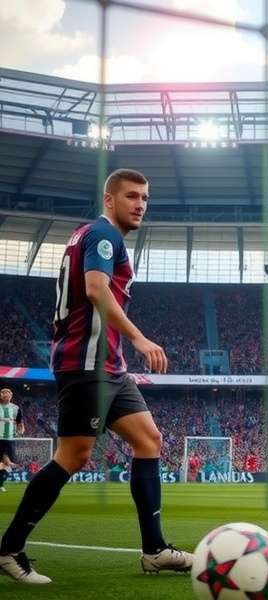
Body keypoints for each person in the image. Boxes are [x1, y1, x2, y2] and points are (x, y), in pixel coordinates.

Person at [0, 169, 193, 584]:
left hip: (110, 365)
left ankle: (155, 550)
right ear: (109, 199)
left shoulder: (86, 235)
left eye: (145, 197)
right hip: (86, 362)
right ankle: (10, 549)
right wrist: (140, 339)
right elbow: (94, 289)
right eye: (131, 196)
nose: (140, 204)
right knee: (74, 455)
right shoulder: (106, 236)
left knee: (149, 440)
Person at [0, 388, 24, 493]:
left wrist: (21, 430)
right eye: (4, 394)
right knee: (4, 463)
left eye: (8, 395)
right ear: (0, 396)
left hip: (10, 440)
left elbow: (20, 423)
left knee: (7, 466)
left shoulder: (15, 408)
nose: (6, 396)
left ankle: (0, 484)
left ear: (11, 396)